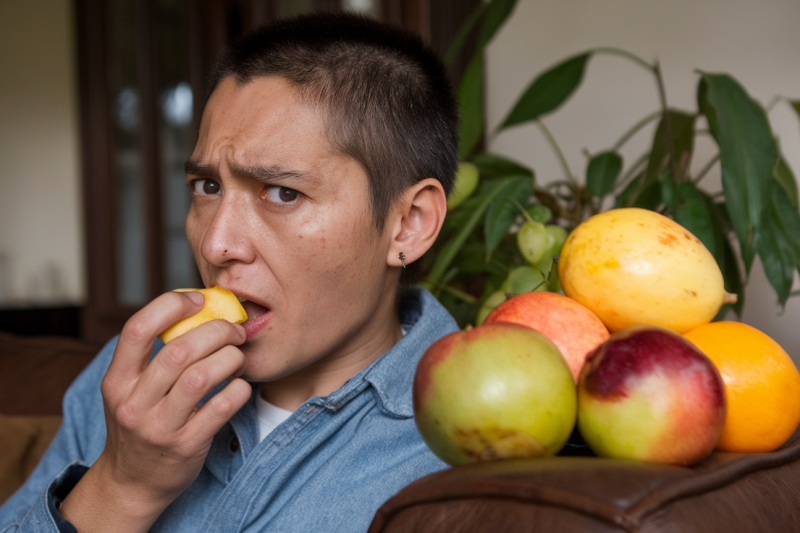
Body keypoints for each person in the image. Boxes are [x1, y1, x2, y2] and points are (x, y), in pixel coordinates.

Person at [0, 12, 460, 533]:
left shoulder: (474, 439)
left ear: (408, 224)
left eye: (283, 193)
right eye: (207, 187)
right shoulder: (131, 383)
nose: (216, 244)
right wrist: (122, 487)